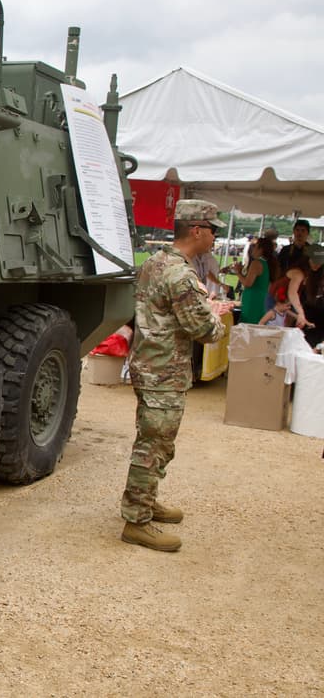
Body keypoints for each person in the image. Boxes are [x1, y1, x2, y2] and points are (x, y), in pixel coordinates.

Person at [120, 199, 233, 552]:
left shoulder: (156, 262)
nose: (215, 236)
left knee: (154, 440)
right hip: (164, 372)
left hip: (151, 367)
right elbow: (204, 329)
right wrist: (214, 313)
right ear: (196, 230)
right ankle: (136, 521)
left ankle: (146, 499)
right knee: (154, 445)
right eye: (213, 229)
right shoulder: (180, 274)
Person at [232, 237, 278, 324]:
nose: (253, 249)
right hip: (261, 300)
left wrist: (237, 272)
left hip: (252, 301)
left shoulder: (257, 263)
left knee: (248, 326)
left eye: (255, 246)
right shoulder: (268, 264)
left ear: (261, 249)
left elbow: (248, 283)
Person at [285, 244, 324, 348]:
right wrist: (300, 314)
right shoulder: (298, 272)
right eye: (315, 261)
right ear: (308, 258)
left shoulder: (315, 273)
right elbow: (292, 293)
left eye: (320, 262)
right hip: (284, 306)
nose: (317, 264)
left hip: (298, 307)